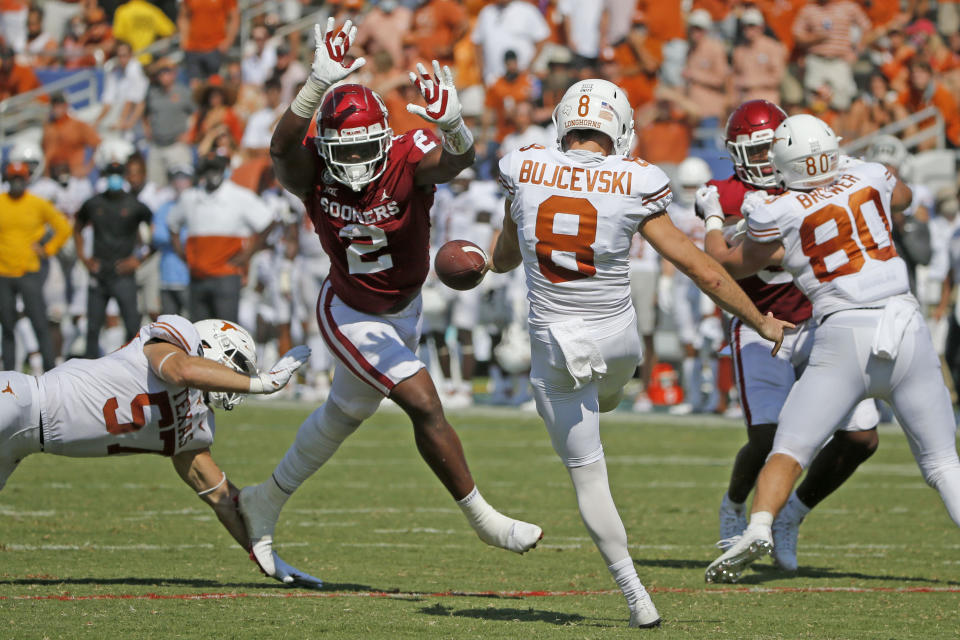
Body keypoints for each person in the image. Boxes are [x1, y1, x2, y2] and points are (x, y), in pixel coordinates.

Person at [238, 19, 543, 584]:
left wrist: (452, 123)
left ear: (386, 137)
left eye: (364, 149)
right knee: (424, 402)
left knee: (343, 413)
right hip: (350, 309)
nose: (352, 166)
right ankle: (482, 518)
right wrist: (313, 86)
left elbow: (458, 161)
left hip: (404, 308)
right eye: (341, 152)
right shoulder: (311, 168)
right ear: (324, 148)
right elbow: (282, 148)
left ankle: (264, 500)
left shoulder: (410, 153)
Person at [489, 78, 793, 627]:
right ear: (620, 127)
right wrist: (760, 320)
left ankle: (637, 597)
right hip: (618, 340)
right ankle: (607, 394)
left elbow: (504, 260)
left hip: (553, 344)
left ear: (565, 123)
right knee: (607, 390)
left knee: (589, 475)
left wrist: (485, 253)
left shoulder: (522, 168)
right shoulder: (636, 179)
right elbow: (702, 268)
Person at [704, 114, 960, 583]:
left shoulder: (776, 209)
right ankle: (771, 523)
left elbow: (727, 265)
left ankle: (760, 523)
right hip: (904, 321)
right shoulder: (867, 174)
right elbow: (900, 197)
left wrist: (715, 219)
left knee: (789, 446)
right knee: (944, 463)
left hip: (841, 331)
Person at [0, 313, 319, 585]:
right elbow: (180, 371)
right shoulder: (178, 335)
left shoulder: (196, 427)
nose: (237, 379)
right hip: (19, 400)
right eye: (238, 367)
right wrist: (263, 383)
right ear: (211, 347)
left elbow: (224, 500)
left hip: (22, 448)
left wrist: (262, 551)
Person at [700, 100, 881, 572]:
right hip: (764, 328)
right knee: (767, 439)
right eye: (754, 151)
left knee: (861, 438)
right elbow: (717, 260)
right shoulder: (725, 194)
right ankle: (735, 504)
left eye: (771, 148)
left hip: (823, 323)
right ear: (737, 156)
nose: (764, 160)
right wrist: (718, 222)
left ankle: (791, 515)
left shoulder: (814, 179)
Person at [167, 151, 274, 323]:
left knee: (227, 331)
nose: (211, 174)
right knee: (200, 333)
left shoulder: (239, 196)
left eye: (215, 169)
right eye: (207, 169)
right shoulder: (190, 197)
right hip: (197, 277)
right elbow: (172, 224)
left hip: (227, 275)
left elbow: (268, 222)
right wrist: (182, 254)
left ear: (223, 170)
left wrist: (248, 254)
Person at [75, 140, 153, 357]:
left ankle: (133, 368)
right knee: (93, 327)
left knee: (132, 325)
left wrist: (138, 259)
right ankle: (88, 375)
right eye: (111, 173)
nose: (115, 178)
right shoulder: (94, 203)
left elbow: (157, 234)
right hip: (99, 270)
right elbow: (77, 227)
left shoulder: (134, 205)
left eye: (119, 173)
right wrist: (84, 257)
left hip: (123, 271)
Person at [0, 161, 72, 372]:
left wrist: (48, 249)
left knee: (39, 322)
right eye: (13, 178)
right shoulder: (1, 202)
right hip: (3, 273)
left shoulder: (36, 204)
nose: (17, 182)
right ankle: (9, 375)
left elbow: (63, 227)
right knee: (7, 326)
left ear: (27, 179)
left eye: (20, 178)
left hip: (28, 272)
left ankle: (50, 370)